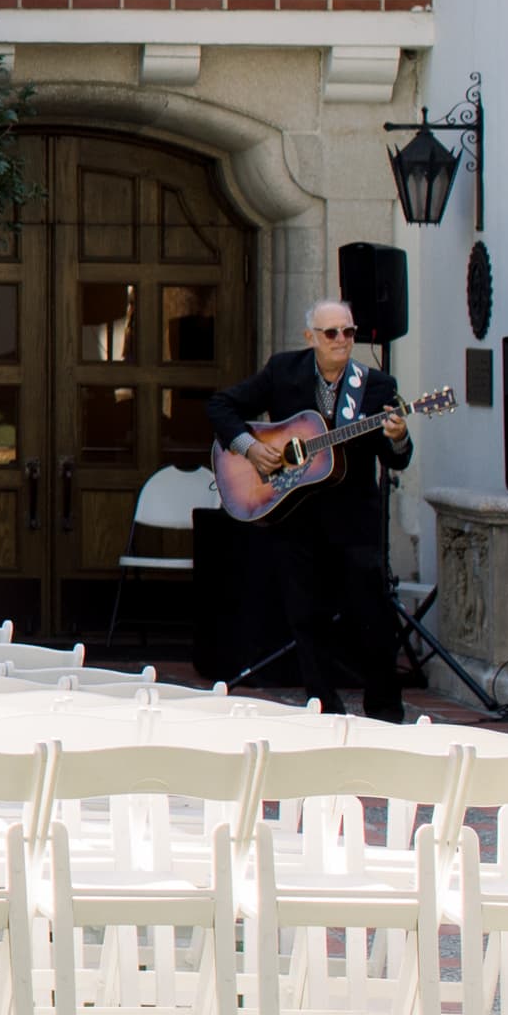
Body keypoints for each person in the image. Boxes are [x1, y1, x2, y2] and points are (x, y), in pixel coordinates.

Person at [206, 300, 415, 723]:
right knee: (305, 615)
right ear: (311, 337)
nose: (342, 340)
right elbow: (221, 406)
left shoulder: (375, 385)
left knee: (372, 613)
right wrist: (251, 448)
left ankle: (385, 712)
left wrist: (398, 437)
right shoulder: (284, 371)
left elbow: (395, 458)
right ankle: (323, 706)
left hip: (354, 517)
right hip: (294, 513)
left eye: (348, 332)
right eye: (331, 333)